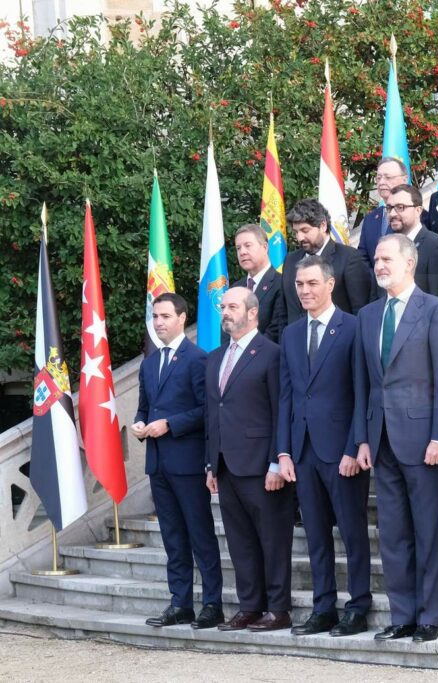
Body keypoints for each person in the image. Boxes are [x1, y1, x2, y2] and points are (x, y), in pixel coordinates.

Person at [352, 234, 438, 643]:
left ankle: (429, 617)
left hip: (422, 441)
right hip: (380, 441)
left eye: (386, 259)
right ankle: (402, 615)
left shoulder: (435, 311)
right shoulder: (367, 315)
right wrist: (363, 439)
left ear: (410, 263)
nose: (379, 265)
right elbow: (364, 384)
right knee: (393, 535)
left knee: (428, 533)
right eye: (376, 260)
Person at [275, 255, 372, 636]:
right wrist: (283, 452)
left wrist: (354, 446)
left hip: (341, 451)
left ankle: (358, 605)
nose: (305, 291)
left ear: (330, 285)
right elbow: (286, 396)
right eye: (300, 285)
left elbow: (360, 392)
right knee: (315, 535)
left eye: (312, 283)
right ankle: (323, 607)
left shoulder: (353, 327)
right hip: (303, 451)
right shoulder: (291, 333)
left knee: (352, 532)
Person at [204, 287, 293, 632]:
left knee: (272, 540)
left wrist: (276, 461)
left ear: (252, 312)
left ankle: (278, 608)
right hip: (226, 466)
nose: (225, 312)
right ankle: (250, 606)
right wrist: (210, 464)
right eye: (223, 306)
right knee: (240, 542)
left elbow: (280, 410)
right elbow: (213, 414)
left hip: (262, 466)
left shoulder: (272, 354)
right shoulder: (214, 358)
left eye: (232, 306)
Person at [132, 293, 222, 630]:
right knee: (172, 538)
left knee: (200, 536)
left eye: (165, 316)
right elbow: (144, 406)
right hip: (158, 464)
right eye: (155, 317)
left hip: (187, 462)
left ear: (182, 318)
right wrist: (140, 424)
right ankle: (180, 603)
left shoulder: (198, 359)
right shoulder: (149, 363)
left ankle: (212, 604)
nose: (158, 323)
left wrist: (171, 424)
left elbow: (207, 411)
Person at [282, 198, 373, 323]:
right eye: (296, 232)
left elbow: (360, 311)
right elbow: (284, 312)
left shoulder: (350, 258)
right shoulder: (290, 260)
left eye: (305, 230)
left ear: (323, 226)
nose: (299, 237)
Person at [381, 184, 438, 297]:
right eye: (389, 208)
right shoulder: (385, 246)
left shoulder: (436, 246)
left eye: (400, 207)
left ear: (418, 210)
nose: (392, 214)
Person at [232, 224, 287, 343]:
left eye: (247, 246)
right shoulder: (235, 288)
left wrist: (246, 353)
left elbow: (276, 329)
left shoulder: (282, 283)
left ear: (265, 247)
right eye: (238, 248)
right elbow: (227, 327)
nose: (242, 252)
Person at [357, 157, 410, 268]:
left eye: (388, 177)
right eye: (379, 178)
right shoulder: (370, 218)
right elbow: (362, 258)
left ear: (404, 179)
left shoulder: (415, 214)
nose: (381, 182)